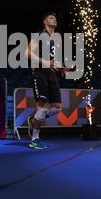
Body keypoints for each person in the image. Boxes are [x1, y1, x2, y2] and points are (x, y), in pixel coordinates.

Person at [25, 12, 69, 149]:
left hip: (52, 75)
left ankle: (34, 119)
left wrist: (59, 66)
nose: (54, 19)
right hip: (39, 74)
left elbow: (52, 58)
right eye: (51, 18)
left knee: (57, 108)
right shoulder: (39, 35)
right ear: (44, 22)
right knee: (43, 108)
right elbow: (27, 53)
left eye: (55, 18)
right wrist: (45, 62)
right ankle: (34, 139)